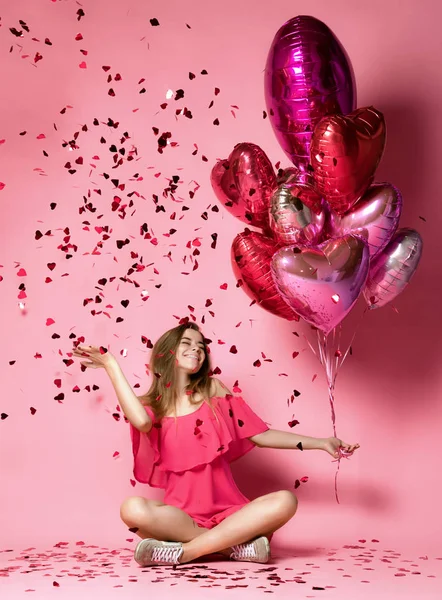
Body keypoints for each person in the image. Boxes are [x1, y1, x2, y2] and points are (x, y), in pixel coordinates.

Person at [71, 322, 359, 567]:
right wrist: (110, 365)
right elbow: (142, 423)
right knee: (132, 509)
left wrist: (321, 443)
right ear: (166, 352)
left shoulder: (213, 390)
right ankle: (230, 548)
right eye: (187, 343)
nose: (197, 349)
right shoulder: (150, 406)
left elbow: (261, 435)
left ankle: (185, 553)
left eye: (201, 346)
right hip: (182, 520)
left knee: (286, 500)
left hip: (232, 515)